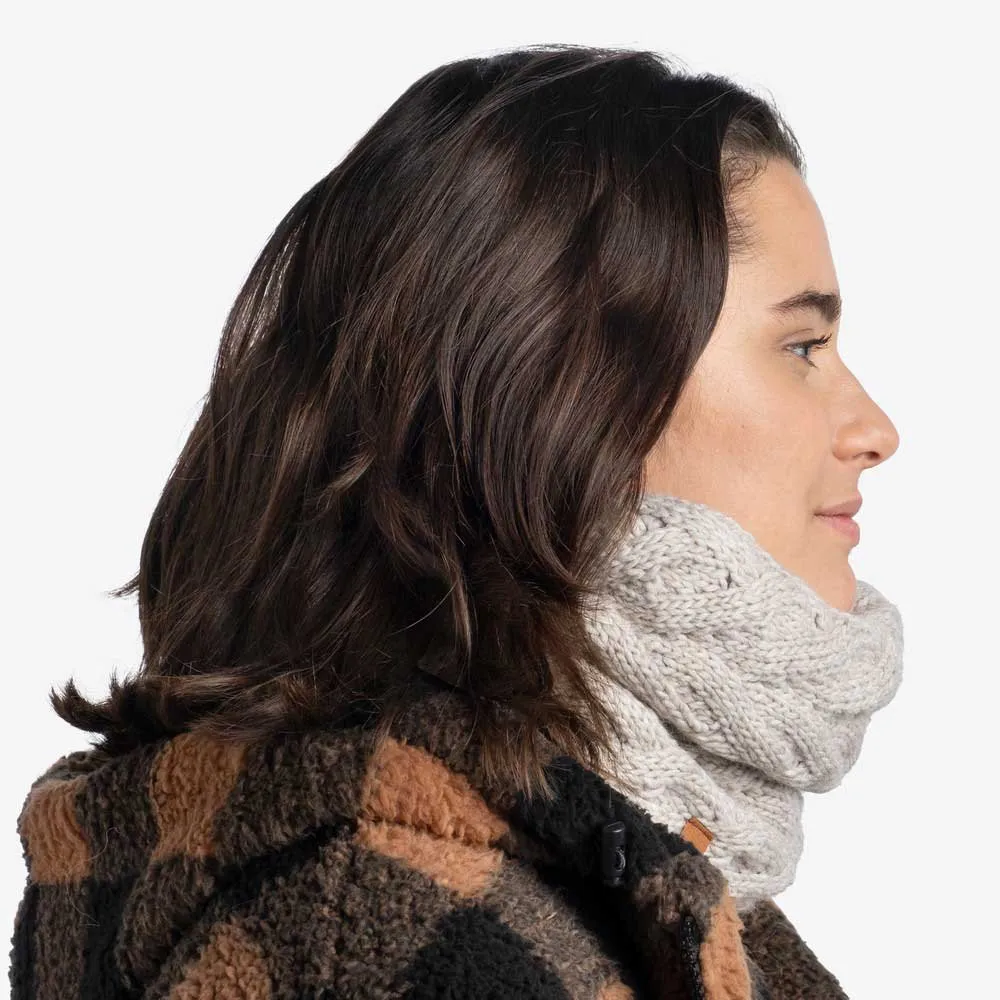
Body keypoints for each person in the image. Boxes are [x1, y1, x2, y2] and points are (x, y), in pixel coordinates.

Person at [9, 44, 903, 1000]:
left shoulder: (622, 879)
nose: (876, 431)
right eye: (802, 345)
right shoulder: (373, 934)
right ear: (564, 394)